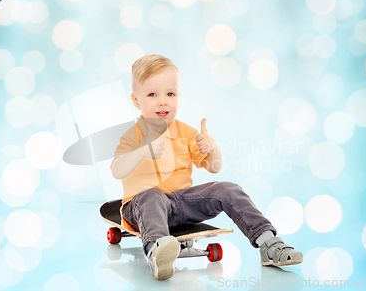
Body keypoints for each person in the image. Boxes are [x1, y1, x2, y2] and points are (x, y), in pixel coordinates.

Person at [110, 54, 303, 280]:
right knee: (152, 195)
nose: (163, 101)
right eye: (152, 94)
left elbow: (214, 167)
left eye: (170, 94)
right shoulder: (132, 136)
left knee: (228, 188)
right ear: (136, 101)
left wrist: (212, 148)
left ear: (178, 95)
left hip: (181, 204)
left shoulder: (186, 133)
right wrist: (142, 151)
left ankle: (269, 244)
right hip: (142, 207)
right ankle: (157, 251)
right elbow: (117, 170)